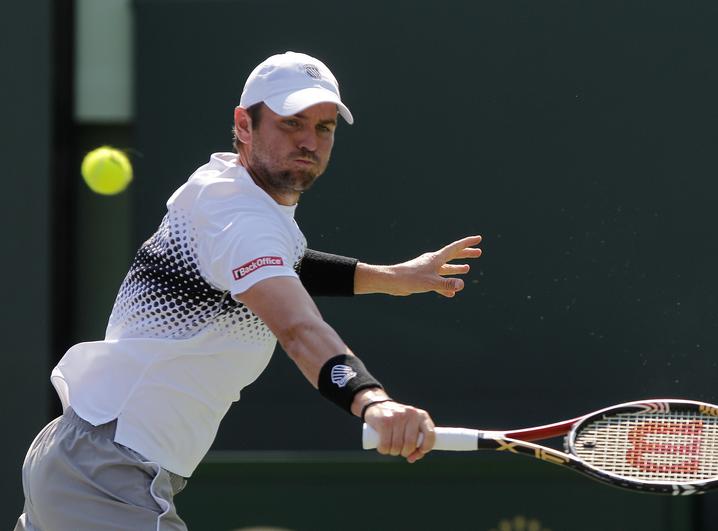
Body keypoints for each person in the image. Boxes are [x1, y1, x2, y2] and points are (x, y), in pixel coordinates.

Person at [15, 51, 482, 530]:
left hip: (85, 458)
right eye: (291, 123)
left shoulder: (227, 189)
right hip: (107, 474)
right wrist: (372, 401)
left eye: (323, 128)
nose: (309, 141)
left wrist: (391, 278)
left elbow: (282, 267)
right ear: (244, 124)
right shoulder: (240, 220)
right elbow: (298, 329)